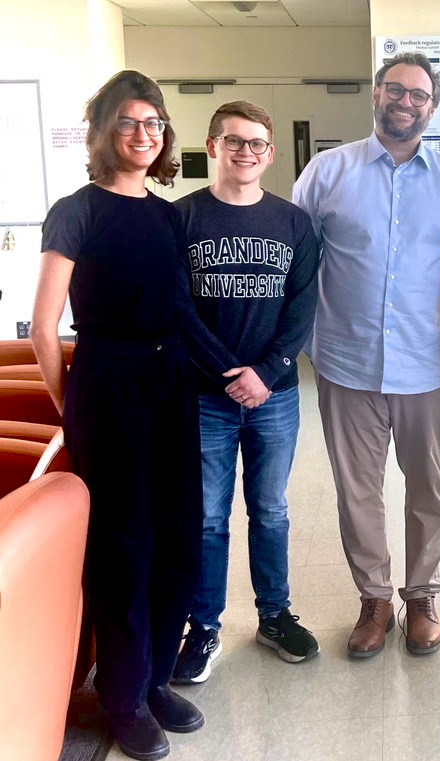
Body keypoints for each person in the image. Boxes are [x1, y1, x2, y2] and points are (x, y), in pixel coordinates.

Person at [31, 70, 210, 761]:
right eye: (130, 121)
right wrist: (73, 409)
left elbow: (179, 309)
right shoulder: (76, 210)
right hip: (108, 383)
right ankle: (123, 696)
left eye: (154, 123)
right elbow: (45, 327)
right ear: (105, 130)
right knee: (124, 547)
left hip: (171, 382)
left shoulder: (168, 215)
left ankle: (156, 678)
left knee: (179, 537)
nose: (144, 134)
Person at [292, 52, 440, 658]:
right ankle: (374, 599)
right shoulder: (327, 172)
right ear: (376, 93)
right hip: (347, 362)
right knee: (358, 491)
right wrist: (303, 344)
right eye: (396, 90)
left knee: (430, 488)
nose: (406, 102)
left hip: (429, 360)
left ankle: (421, 596)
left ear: (432, 107)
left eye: (419, 95)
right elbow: (297, 264)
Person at [172, 100, 320, 685]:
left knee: (271, 511)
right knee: (207, 517)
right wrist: (230, 374)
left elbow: (301, 309)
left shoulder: (294, 223)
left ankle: (274, 616)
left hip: (274, 396)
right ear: (212, 146)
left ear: (271, 153)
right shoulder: (182, 219)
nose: (245, 152)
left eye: (257, 143)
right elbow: (179, 310)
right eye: (234, 141)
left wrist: (266, 371)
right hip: (204, 397)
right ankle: (204, 628)